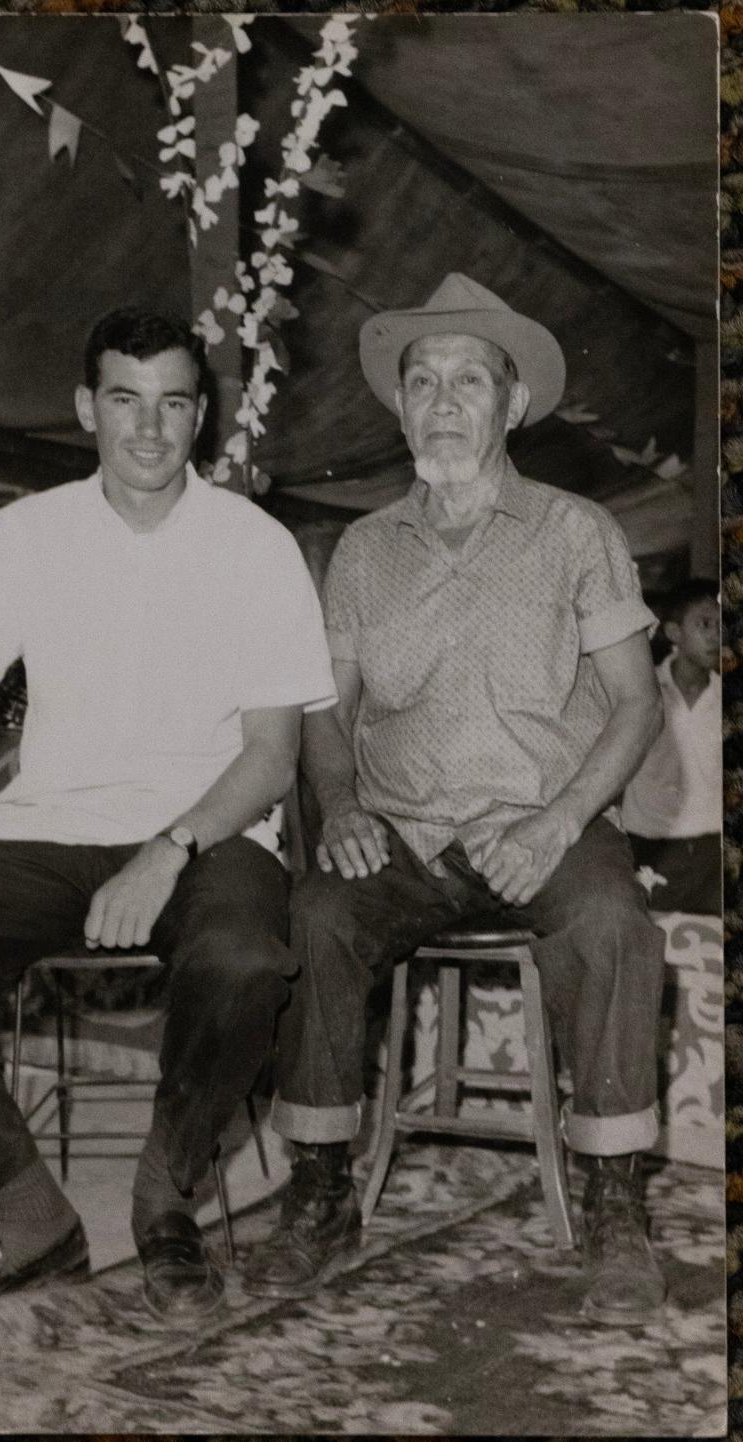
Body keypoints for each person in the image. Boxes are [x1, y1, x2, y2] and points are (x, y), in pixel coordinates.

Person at [0, 307, 336, 1332]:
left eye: (173, 404)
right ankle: (28, 1214)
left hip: (210, 832)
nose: (148, 429)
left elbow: (273, 756)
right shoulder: (27, 534)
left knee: (244, 955)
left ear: (201, 416)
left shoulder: (256, 546)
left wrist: (168, 848)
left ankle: (165, 1196)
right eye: (124, 400)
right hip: (47, 832)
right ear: (85, 407)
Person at [243, 272, 669, 1329]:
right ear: (399, 406)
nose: (442, 399)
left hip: (543, 824)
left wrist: (562, 818)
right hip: (401, 835)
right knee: (315, 914)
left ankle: (617, 1205)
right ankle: (322, 1190)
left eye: (468, 380)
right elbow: (323, 714)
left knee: (616, 922)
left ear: (512, 404)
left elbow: (636, 703)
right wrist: (339, 805)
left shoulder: (577, 531)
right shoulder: (359, 550)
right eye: (422, 380)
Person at [623, 579, 721, 914]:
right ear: (674, 633)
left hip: (716, 855)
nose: (716, 636)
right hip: (652, 851)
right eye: (705, 624)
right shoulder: (640, 695)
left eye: (723, 625)